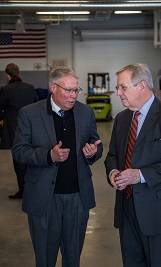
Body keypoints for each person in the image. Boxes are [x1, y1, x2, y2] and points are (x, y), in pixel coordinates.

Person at [12, 66, 103, 267]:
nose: (73, 96)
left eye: (76, 90)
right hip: (44, 199)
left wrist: (92, 153)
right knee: (45, 259)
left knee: (73, 258)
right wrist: (48, 155)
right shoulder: (29, 114)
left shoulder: (85, 112)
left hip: (77, 198)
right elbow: (18, 151)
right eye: (68, 90)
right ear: (53, 87)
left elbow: (96, 143)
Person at [104, 63, 161, 267]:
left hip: (158, 212)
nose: (118, 93)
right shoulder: (122, 118)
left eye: (123, 87)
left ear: (142, 86)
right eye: (118, 88)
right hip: (126, 210)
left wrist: (140, 175)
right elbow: (112, 155)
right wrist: (114, 172)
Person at [0, 63, 38, 199]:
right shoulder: (30, 88)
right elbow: (37, 105)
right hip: (31, 128)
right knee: (30, 158)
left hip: (13, 130)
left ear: (7, 75)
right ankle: (31, 187)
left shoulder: (6, 90)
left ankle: (23, 190)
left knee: (18, 160)